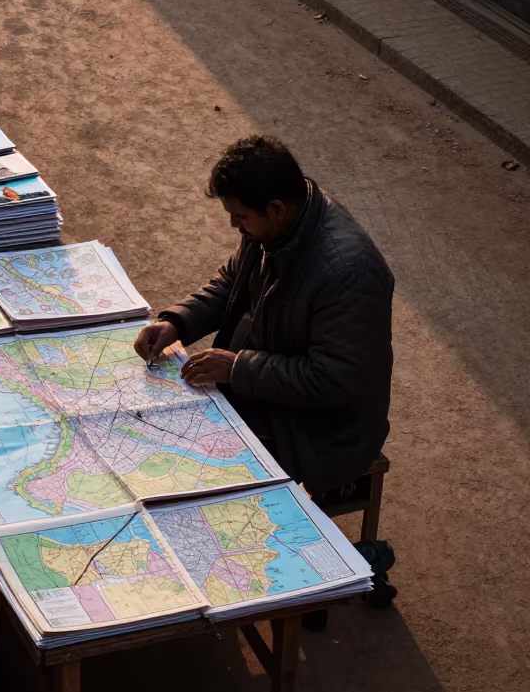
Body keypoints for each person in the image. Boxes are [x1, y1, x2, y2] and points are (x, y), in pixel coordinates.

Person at [134, 135, 397, 618]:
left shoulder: (348, 272)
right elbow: (233, 282)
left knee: (196, 470)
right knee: (156, 428)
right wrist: (179, 321)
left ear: (276, 207)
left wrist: (238, 368)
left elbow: (335, 379)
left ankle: (313, 571)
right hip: (270, 391)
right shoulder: (276, 229)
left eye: (241, 217)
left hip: (327, 428)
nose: (236, 226)